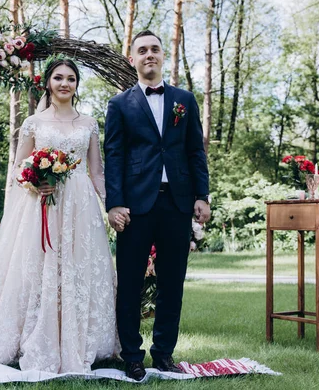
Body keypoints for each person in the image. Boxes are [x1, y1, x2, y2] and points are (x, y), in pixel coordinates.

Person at [0, 58, 119, 373]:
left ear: (77, 84)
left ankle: (81, 342)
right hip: (42, 205)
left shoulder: (89, 123)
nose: (65, 83)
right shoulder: (34, 123)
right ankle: (36, 338)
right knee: (38, 271)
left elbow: (97, 171)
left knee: (79, 270)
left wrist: (110, 206)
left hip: (80, 208)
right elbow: (18, 168)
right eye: (58, 78)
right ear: (48, 83)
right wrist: (35, 179)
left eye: (71, 78)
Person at [104, 30, 211, 381]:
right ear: (132, 58)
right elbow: (114, 156)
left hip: (178, 204)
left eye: (155, 49)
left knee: (172, 283)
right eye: (142, 50)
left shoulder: (185, 100)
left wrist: (202, 196)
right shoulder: (119, 104)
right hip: (136, 206)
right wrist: (115, 204)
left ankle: (163, 353)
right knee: (131, 283)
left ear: (163, 56)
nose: (149, 55)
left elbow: (196, 151)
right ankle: (132, 356)